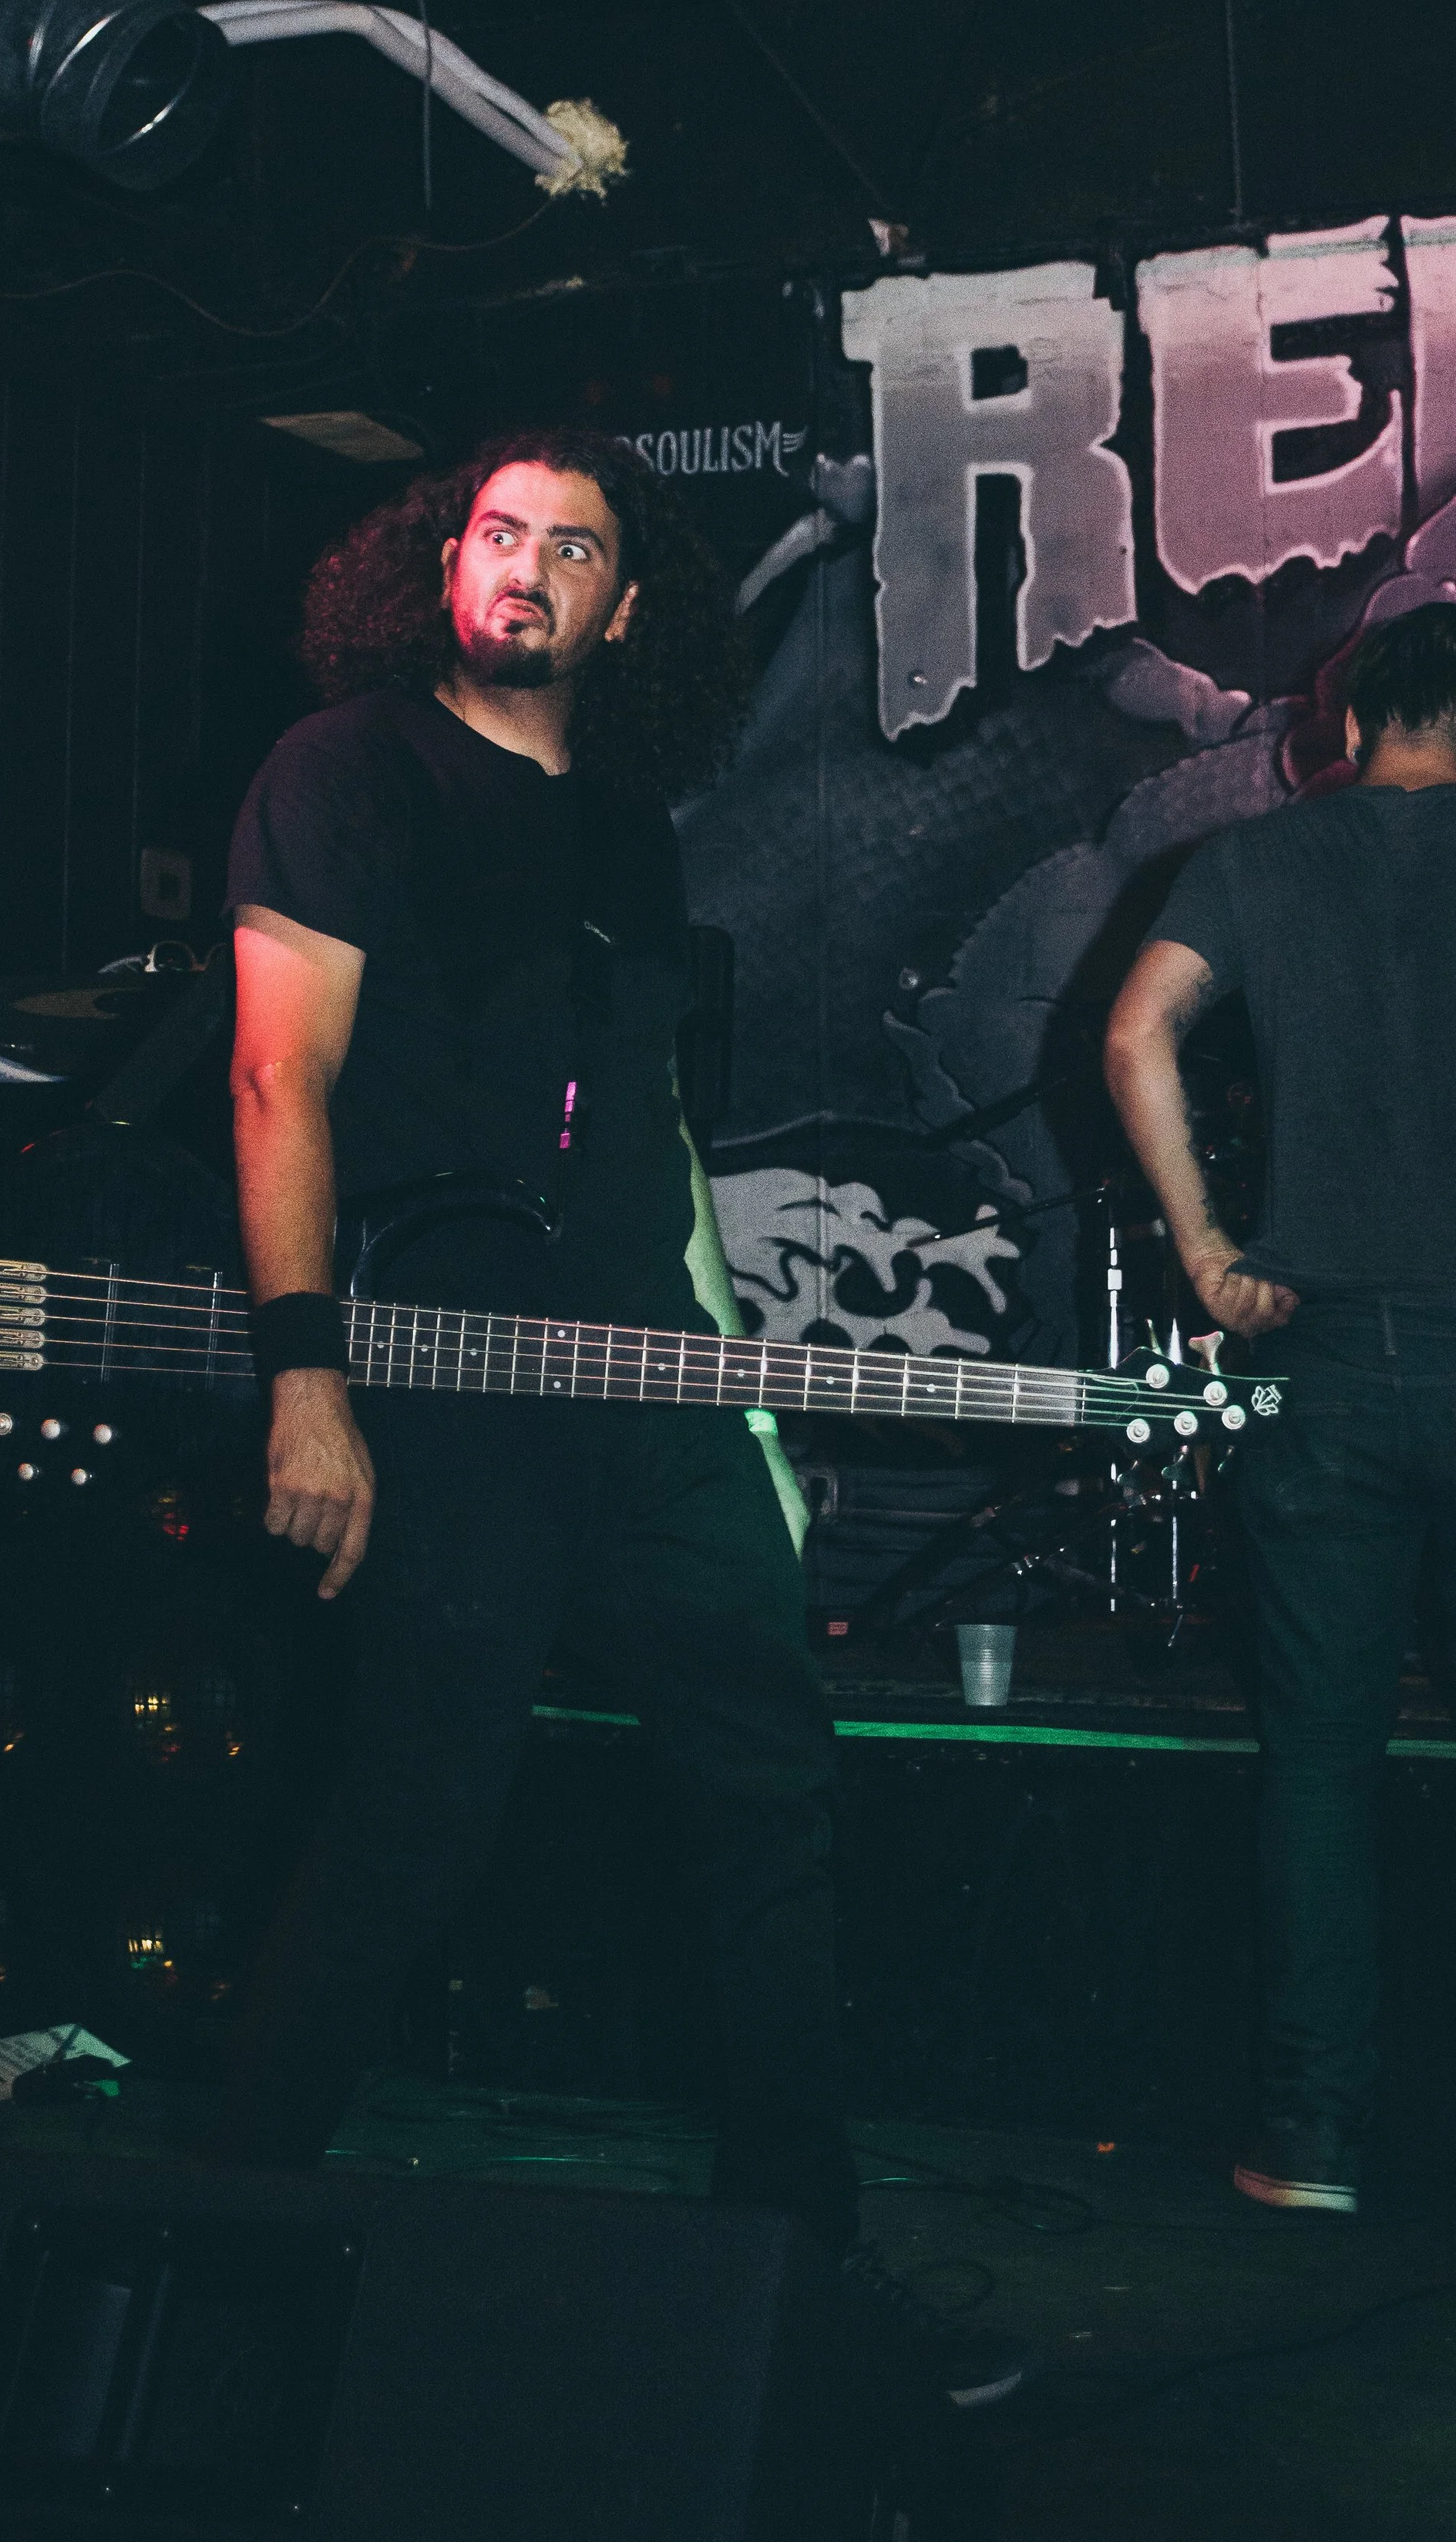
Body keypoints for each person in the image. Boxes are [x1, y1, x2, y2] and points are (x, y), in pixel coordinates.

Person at [212, 425, 1023, 2405]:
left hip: (653, 1381)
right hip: (450, 1379)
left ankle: (800, 2272)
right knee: (418, 1814)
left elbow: (654, 1137)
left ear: (623, 606)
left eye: (572, 546)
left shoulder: (634, 832)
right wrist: (309, 1381)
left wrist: (737, 1386)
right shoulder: (343, 773)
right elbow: (271, 1080)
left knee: (768, 1787)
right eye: (499, 532)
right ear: (441, 561)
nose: (528, 567)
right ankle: (203, 2248)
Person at [1104, 600, 1456, 2219]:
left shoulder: (1254, 863)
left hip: (1317, 1365)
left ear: (1338, 728)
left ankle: (1306, 2137)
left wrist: (1204, 1251)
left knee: (1316, 1764)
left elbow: (1130, 1035)